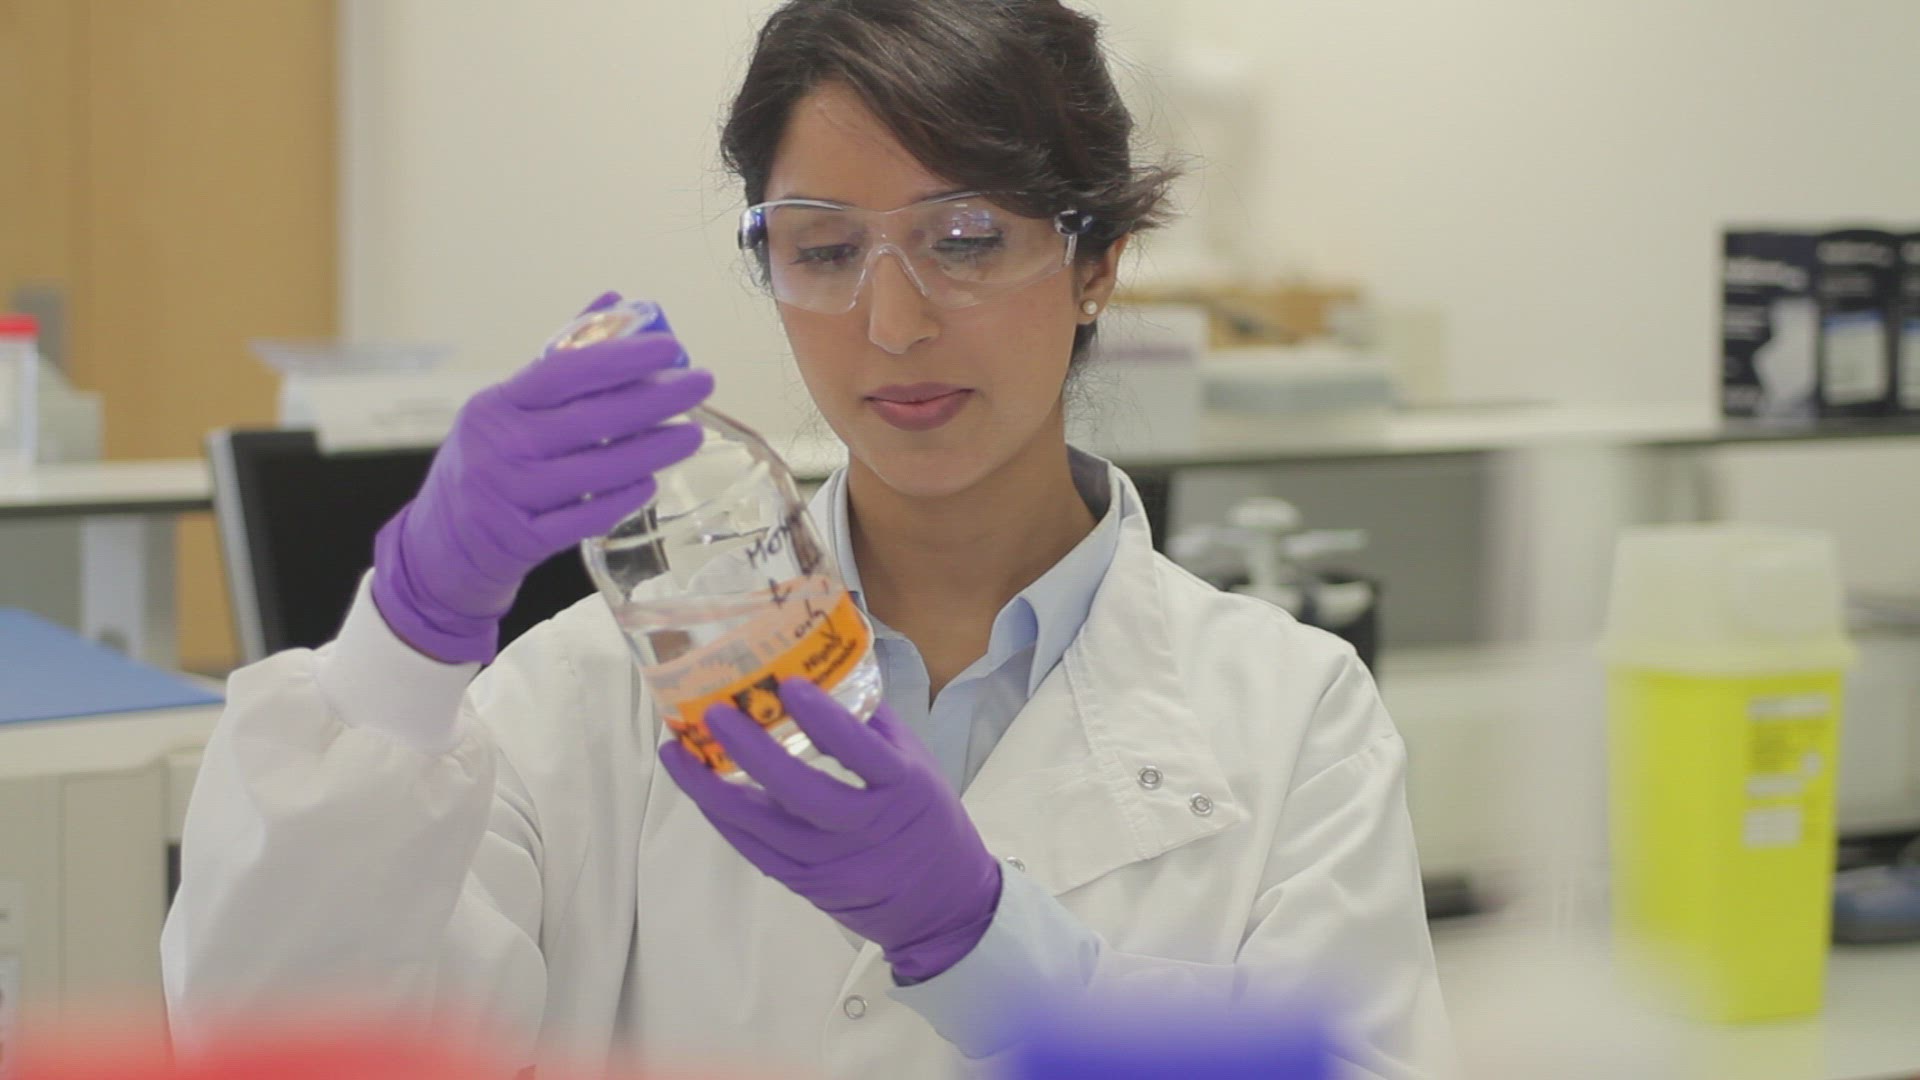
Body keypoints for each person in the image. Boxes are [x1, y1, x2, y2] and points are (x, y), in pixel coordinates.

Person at [160, 1, 1450, 1076]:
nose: (892, 324)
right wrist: (405, 641)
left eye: (966, 241)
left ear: (1098, 259)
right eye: (824, 250)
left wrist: (991, 951)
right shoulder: (598, 690)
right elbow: (279, 1045)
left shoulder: (1295, 717)